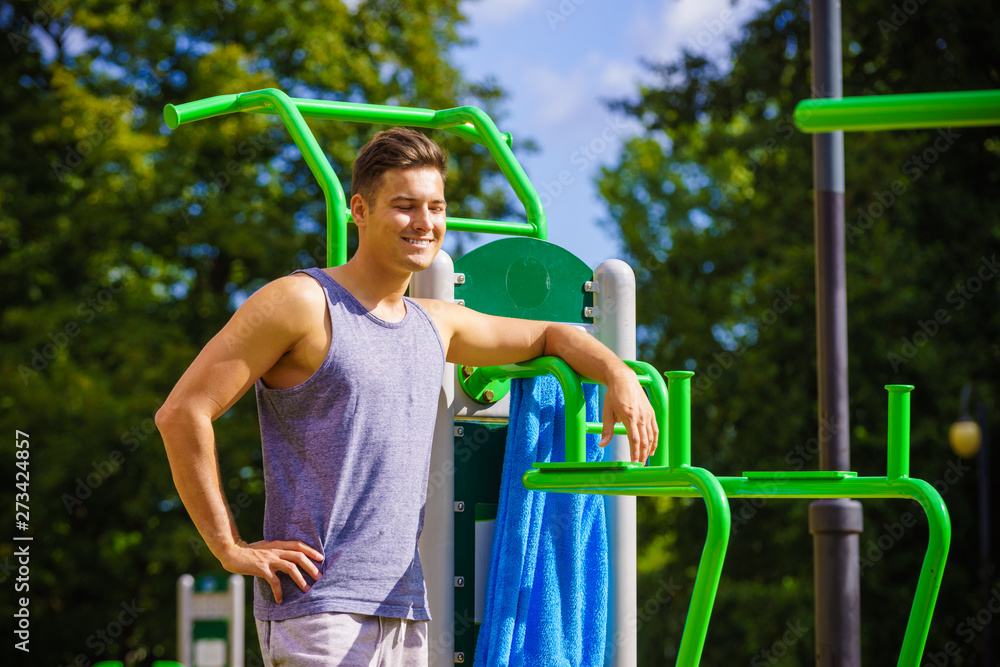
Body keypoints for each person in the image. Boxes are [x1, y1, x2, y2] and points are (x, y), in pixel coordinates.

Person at [155, 127, 658, 667]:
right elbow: (183, 412)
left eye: (436, 207)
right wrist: (228, 546)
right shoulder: (301, 302)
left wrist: (618, 376)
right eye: (405, 206)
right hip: (321, 608)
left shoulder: (435, 324)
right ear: (360, 210)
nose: (425, 223)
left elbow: (551, 335)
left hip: (406, 610)